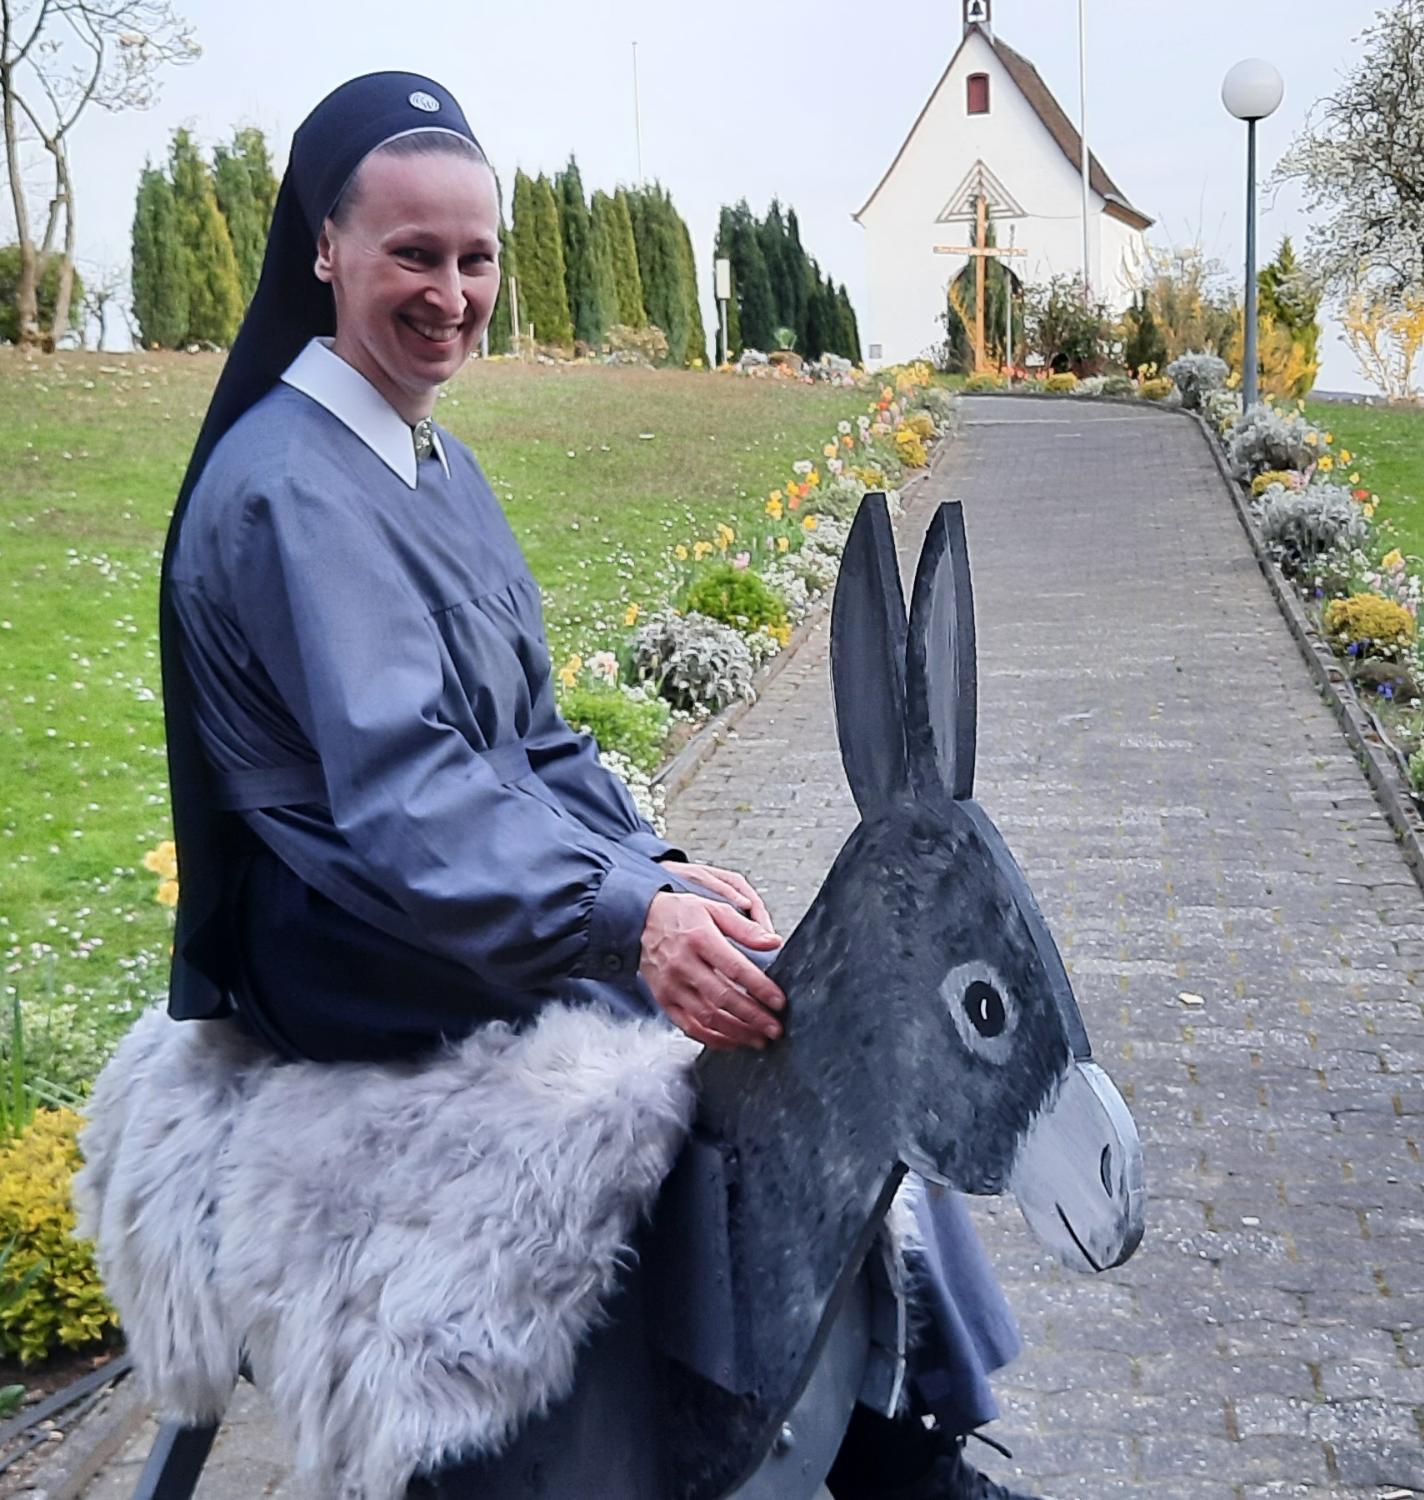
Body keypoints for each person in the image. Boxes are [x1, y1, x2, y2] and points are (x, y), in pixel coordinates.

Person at [159, 71, 1034, 1500]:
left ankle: (890, 1412)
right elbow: (405, 797)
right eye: (413, 254)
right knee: (684, 1041)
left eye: (475, 257)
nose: (451, 292)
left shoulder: (435, 464)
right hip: (343, 917)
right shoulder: (286, 488)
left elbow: (536, 736)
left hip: (437, 872)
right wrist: (624, 925)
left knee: (798, 984)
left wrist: (656, 865)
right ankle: (698, 1447)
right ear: (323, 248)